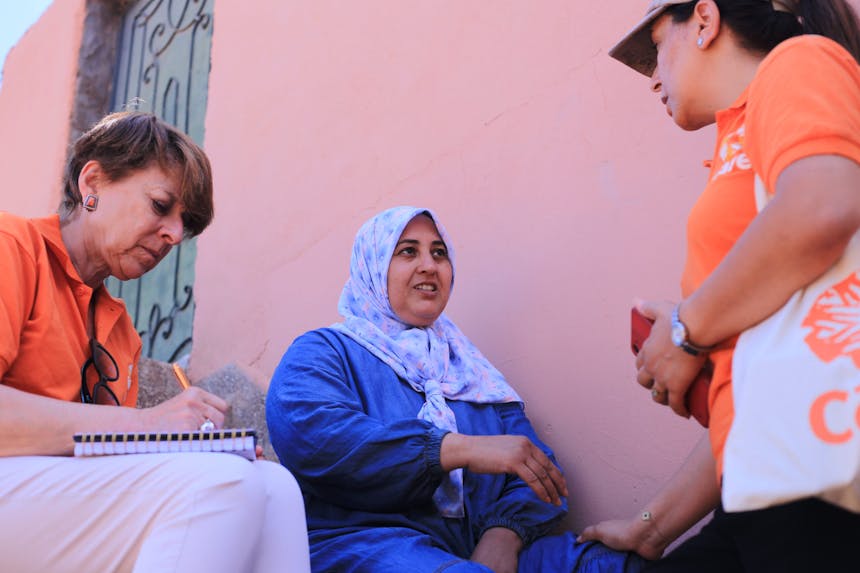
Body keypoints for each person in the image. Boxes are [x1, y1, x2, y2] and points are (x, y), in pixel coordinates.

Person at [580, 1, 860, 571]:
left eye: (656, 47)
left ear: (705, 21)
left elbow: (824, 202)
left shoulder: (797, 62)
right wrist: (652, 526)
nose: (652, 78)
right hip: (769, 474)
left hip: (819, 463)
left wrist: (686, 331)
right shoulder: (738, 142)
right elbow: (763, 377)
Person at [0, 111, 310, 573]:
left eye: (185, 225)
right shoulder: (12, 245)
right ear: (93, 182)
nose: (174, 235)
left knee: (275, 487)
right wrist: (145, 423)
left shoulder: (120, 332)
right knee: (224, 483)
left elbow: (106, 458)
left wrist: (185, 446)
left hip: (46, 502)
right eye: (161, 205)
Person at [266, 206, 646, 573]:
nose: (429, 265)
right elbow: (313, 437)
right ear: (373, 265)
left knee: (610, 563)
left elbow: (536, 468)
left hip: (474, 549)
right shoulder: (325, 351)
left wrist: (503, 535)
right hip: (368, 548)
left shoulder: (468, 369)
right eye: (408, 251)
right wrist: (456, 449)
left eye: (439, 253)